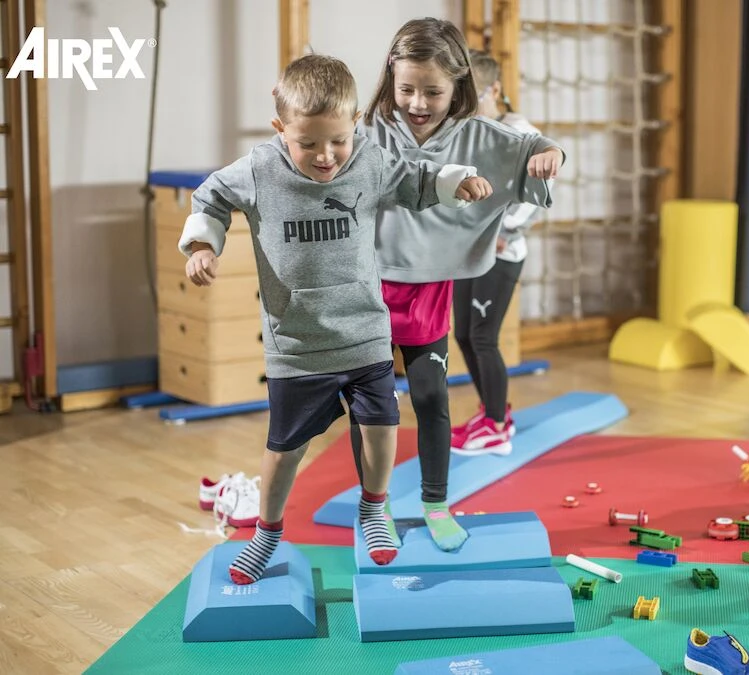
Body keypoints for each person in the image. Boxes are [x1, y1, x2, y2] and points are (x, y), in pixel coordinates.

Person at [179, 54, 492, 584]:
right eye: (308, 144)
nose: (326, 156)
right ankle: (267, 533)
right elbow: (210, 196)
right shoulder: (258, 170)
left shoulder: (368, 160)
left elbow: (414, 179)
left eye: (339, 141)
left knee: (382, 427)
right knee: (286, 449)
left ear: (355, 126)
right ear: (281, 129)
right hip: (298, 344)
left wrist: (452, 181)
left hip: (365, 332)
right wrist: (203, 246)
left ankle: (373, 508)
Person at [352, 18, 564, 552]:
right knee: (370, 406)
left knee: (430, 398)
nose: (417, 103)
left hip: (428, 290)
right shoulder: (368, 129)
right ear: (390, 78)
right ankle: (372, 507)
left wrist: (551, 154)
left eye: (432, 91)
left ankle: (435, 504)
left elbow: (535, 145)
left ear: (459, 84)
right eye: (406, 89)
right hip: (367, 288)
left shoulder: (476, 135)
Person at [450, 49, 545, 456]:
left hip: (502, 253)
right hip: (469, 251)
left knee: (483, 338)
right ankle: (493, 410)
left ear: (494, 90)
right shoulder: (471, 131)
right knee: (463, 334)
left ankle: (497, 427)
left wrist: (505, 229)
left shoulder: (521, 133)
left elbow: (538, 195)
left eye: (472, 94)